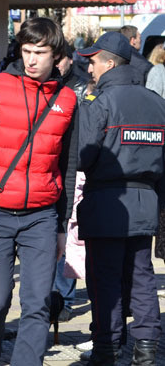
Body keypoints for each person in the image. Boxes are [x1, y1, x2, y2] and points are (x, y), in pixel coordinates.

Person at [0, 17, 78, 366]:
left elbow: (66, 167)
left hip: (42, 214)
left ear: (57, 56)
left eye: (40, 52)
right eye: (26, 51)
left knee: (37, 303)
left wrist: (61, 228)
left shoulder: (68, 100)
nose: (32, 60)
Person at [77, 31, 165, 365]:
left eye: (94, 62)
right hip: (145, 203)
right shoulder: (158, 104)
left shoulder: (101, 104)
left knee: (106, 280)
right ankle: (146, 351)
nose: (89, 69)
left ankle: (107, 350)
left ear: (111, 63)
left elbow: (83, 156)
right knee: (142, 278)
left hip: (107, 203)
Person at [52, 41, 89, 322]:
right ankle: (49, 298)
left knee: (69, 237)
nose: (57, 64)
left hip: (74, 170)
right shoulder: (48, 86)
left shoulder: (81, 86)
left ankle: (64, 298)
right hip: (50, 169)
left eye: (60, 59)